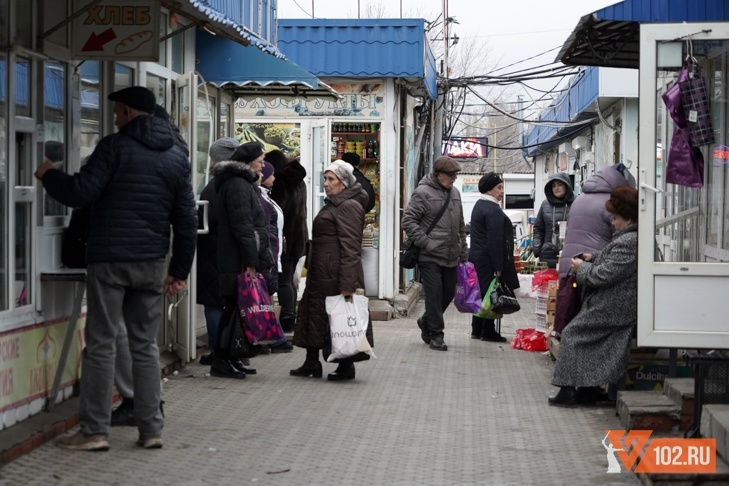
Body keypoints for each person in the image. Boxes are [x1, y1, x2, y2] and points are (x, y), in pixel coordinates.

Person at [35, 86, 197, 451]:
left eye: (116, 112)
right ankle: (151, 429)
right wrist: (180, 270)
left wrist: (48, 174)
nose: (113, 118)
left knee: (102, 344)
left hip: (110, 260)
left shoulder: (113, 147)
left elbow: (80, 192)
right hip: (153, 262)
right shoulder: (175, 157)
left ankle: (94, 431)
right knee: (145, 346)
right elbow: (185, 220)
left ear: (126, 112)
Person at [548, 186, 639, 407]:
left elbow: (603, 276)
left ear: (628, 219)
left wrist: (581, 268)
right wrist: (592, 256)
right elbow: (612, 261)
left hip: (617, 305)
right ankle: (587, 391)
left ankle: (568, 390)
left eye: (615, 218)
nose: (612, 222)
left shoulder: (629, 241)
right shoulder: (630, 238)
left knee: (571, 334)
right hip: (617, 302)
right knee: (583, 337)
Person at [290, 160, 371, 381]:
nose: (326, 184)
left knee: (338, 319)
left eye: (331, 179)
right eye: (325, 179)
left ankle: (346, 366)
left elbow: (351, 247)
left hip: (335, 273)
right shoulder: (336, 203)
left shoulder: (348, 206)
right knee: (314, 315)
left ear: (343, 182)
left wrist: (348, 284)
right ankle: (311, 362)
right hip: (322, 273)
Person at [210, 141, 271, 379]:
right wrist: (251, 260)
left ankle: (230, 357)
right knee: (232, 311)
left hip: (237, 256)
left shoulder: (242, 184)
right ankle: (221, 360)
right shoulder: (237, 185)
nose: (263, 165)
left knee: (237, 310)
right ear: (248, 162)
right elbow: (243, 227)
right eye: (260, 160)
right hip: (236, 259)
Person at [553, 163, 633, 337]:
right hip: (593, 266)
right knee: (587, 311)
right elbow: (619, 237)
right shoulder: (611, 204)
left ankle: (564, 337)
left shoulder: (579, 199)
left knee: (570, 307)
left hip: (571, 260)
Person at [401, 156, 469, 351]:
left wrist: (463, 251)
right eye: (451, 175)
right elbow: (408, 221)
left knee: (447, 294)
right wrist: (427, 243)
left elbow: (460, 225)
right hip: (429, 256)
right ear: (439, 175)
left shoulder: (455, 193)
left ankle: (425, 320)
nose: (454, 178)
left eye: (455, 174)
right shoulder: (423, 193)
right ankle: (436, 335)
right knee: (434, 294)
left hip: (451, 255)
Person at [196, 137, 240, 366]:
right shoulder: (238, 182)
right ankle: (231, 351)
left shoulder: (214, 186)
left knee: (214, 304)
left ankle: (218, 351)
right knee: (227, 303)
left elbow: (207, 220)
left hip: (214, 250)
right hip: (229, 251)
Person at [468, 172, 520, 342]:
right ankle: (488, 331)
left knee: (482, 294)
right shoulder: (493, 210)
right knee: (492, 295)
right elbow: (495, 241)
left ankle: (477, 329)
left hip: (477, 258)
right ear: (490, 190)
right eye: (499, 188)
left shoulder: (479, 206)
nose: (501, 191)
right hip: (489, 260)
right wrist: (498, 266)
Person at [268, 150, 308, 334]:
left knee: (284, 280)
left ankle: (286, 319)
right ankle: (290, 317)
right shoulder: (298, 181)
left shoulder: (281, 182)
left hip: (284, 237)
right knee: (290, 280)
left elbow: (276, 210)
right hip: (298, 235)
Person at [258, 160, 293, 353]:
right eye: (271, 173)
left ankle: (273, 337)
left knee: (265, 299)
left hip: (273, 254)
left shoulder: (266, 197)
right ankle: (272, 338)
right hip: (268, 256)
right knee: (263, 299)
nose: (274, 177)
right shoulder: (262, 199)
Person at [533, 172, 575, 268]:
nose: (556, 188)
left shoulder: (576, 203)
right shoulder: (545, 205)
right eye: (554, 186)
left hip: (570, 253)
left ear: (567, 186)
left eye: (560, 185)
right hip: (547, 254)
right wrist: (537, 249)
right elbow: (538, 228)